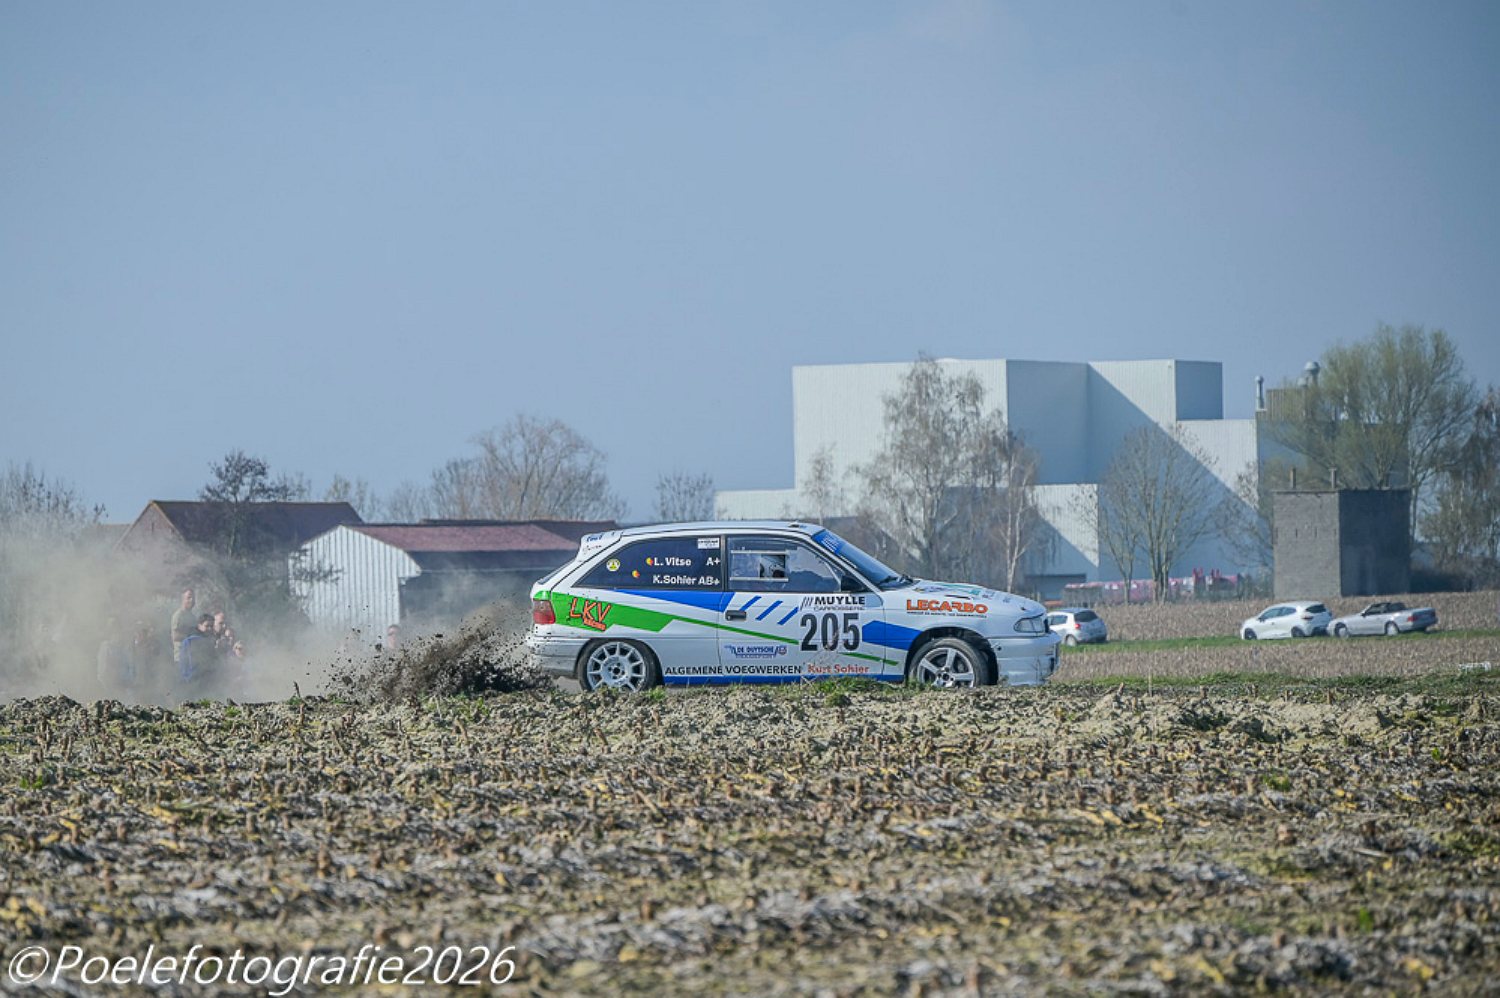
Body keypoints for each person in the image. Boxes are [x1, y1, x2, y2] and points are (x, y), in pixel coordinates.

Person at [170, 588, 197, 667]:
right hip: (181, 658)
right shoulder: (178, 615)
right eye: (188, 598)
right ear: (182, 599)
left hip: (191, 658)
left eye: (193, 598)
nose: (191, 600)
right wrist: (191, 637)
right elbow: (175, 636)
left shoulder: (193, 617)